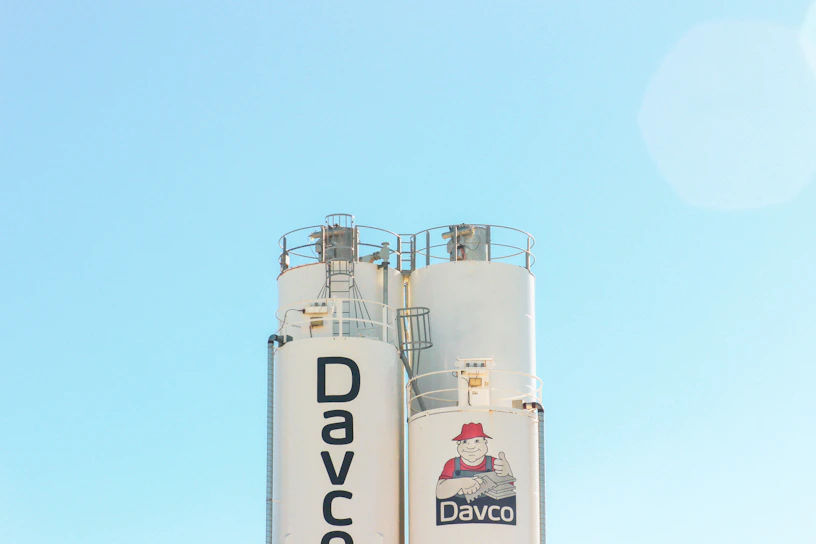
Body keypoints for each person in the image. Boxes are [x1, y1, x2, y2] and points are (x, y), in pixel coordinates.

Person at [435, 422, 513, 500]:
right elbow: (439, 492)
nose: (471, 447)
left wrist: (508, 473)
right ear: (458, 444)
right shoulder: (452, 464)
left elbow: (510, 493)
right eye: (465, 442)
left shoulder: (495, 464)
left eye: (477, 441)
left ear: (485, 443)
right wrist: (461, 483)